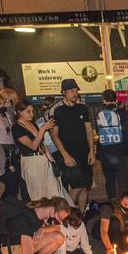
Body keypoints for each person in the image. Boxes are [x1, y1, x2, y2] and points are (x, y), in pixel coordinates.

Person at [48, 78, 94, 213]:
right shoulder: (56, 110)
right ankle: (65, 214)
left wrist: (92, 151)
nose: (75, 93)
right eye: (71, 91)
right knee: (76, 187)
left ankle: (81, 216)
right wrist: (65, 155)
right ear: (63, 92)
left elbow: (89, 130)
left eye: (76, 90)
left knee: (85, 187)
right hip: (68, 154)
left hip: (84, 152)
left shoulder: (83, 108)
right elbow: (54, 135)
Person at [13, 99, 63, 201]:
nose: (31, 114)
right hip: (31, 161)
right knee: (39, 195)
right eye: (28, 111)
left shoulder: (33, 124)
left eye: (32, 111)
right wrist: (43, 129)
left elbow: (42, 144)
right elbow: (33, 146)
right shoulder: (17, 128)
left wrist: (52, 161)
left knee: (53, 192)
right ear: (19, 112)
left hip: (43, 158)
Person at [96, 89, 128, 201]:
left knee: (109, 178)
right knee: (122, 179)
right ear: (116, 99)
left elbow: (98, 131)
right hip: (121, 151)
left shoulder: (99, 115)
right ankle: (123, 202)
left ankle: (112, 200)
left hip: (105, 152)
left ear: (104, 100)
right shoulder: (123, 113)